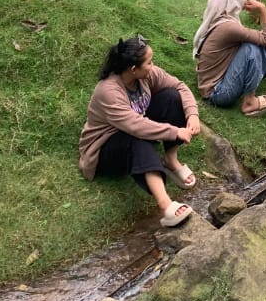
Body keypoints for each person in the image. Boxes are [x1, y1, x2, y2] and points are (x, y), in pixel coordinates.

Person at [78, 36, 200, 228]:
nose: (153, 66)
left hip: (133, 128)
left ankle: (170, 160)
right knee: (136, 136)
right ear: (133, 69)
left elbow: (179, 86)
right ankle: (165, 205)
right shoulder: (108, 91)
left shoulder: (147, 75)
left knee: (171, 97)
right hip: (104, 149)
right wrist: (175, 132)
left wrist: (192, 114)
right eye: (149, 62)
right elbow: (136, 126)